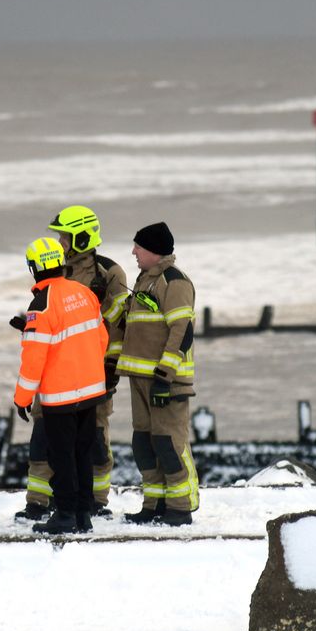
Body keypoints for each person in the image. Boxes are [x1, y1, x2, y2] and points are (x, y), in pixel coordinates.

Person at [13, 206, 130, 522]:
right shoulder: (56, 268)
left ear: (81, 236)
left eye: (65, 236)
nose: (60, 242)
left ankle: (94, 500)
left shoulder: (109, 274)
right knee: (44, 438)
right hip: (55, 376)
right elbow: (52, 322)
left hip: (95, 376)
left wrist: (111, 369)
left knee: (92, 443)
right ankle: (38, 501)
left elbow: (118, 326)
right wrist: (27, 326)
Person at [115, 222, 199, 525]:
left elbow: (182, 331)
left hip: (166, 382)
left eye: (138, 246)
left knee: (168, 444)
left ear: (153, 250)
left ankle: (180, 507)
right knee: (143, 444)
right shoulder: (143, 281)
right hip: (139, 379)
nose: (133, 252)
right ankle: (154, 504)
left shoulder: (174, 282)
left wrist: (165, 376)